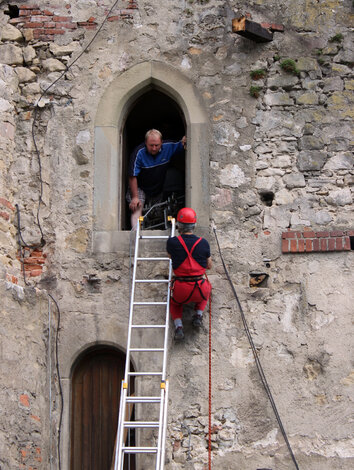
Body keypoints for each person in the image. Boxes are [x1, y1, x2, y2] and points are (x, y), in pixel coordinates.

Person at [166, 208, 212, 340]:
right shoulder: (203, 243)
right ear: (194, 225)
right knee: (207, 291)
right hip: (199, 287)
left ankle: (179, 327)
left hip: (181, 288)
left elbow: (170, 257)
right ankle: (198, 314)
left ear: (179, 225)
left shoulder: (172, 242)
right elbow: (209, 265)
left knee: (174, 302)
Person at [127, 129, 186, 228]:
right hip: (140, 187)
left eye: (157, 145)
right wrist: (135, 197)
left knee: (156, 214)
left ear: (161, 143)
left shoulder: (168, 147)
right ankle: (135, 235)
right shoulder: (139, 153)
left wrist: (186, 139)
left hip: (157, 188)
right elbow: (132, 176)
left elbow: (184, 142)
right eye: (151, 145)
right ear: (146, 143)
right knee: (138, 207)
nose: (154, 148)